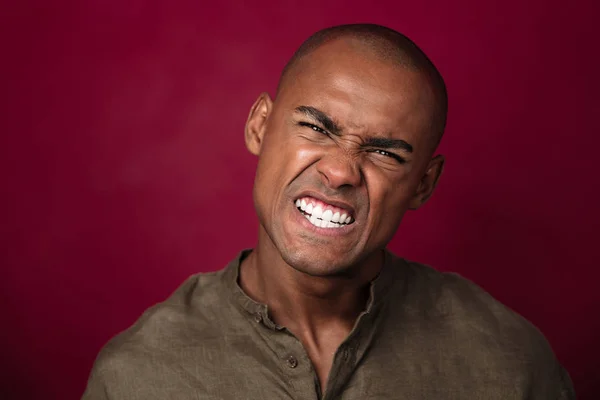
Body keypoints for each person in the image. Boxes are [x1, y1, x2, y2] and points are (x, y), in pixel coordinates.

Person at [82, 24, 575, 399]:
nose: (341, 172)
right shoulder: (139, 375)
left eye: (384, 152)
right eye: (317, 128)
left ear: (423, 184)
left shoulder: (509, 363)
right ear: (260, 126)